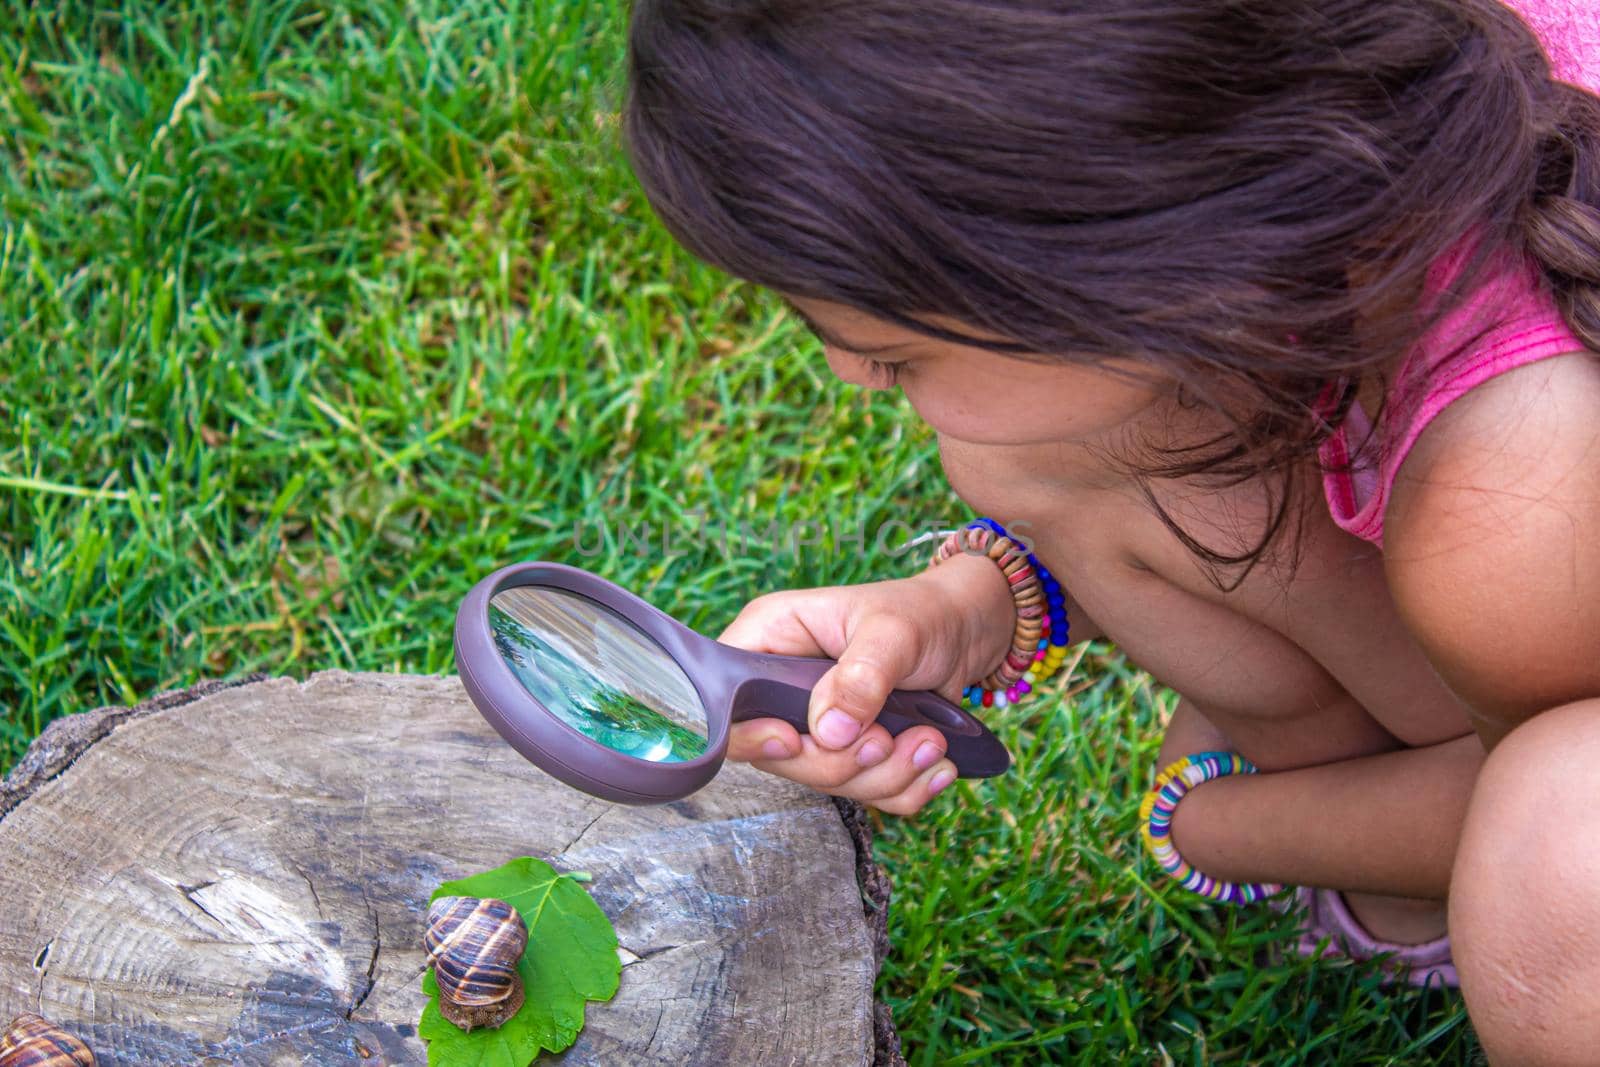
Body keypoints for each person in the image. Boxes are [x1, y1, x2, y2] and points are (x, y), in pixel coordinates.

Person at [620, 1, 1600, 1062]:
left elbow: (1530, 793)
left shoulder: (1523, 493)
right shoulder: (1319, 121)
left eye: (896, 351)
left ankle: (1431, 924)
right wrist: (966, 604)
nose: (848, 370)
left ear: (1138, 261)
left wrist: (1206, 823)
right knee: (1025, 449)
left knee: (1560, 859)